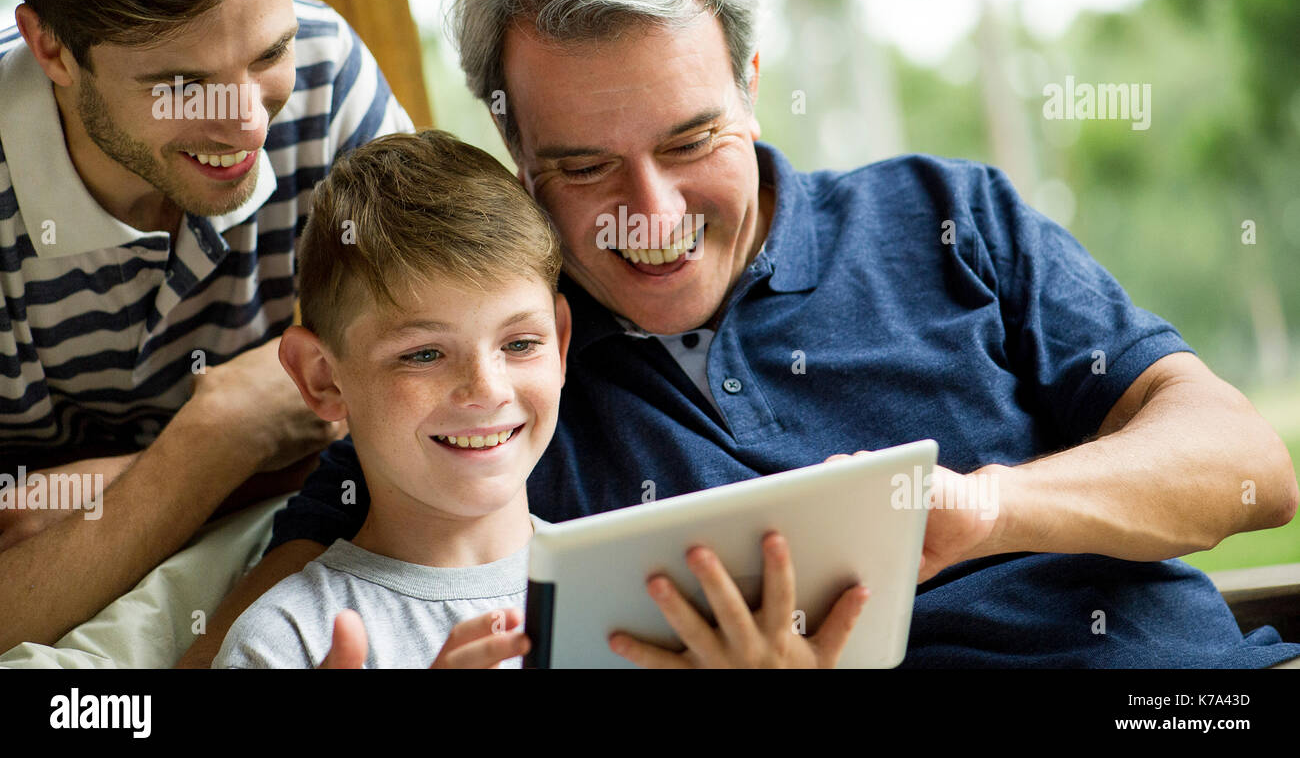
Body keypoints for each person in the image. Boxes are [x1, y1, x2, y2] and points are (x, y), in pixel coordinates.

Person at [186, 0, 1299, 669]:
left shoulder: (944, 218)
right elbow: (277, 616)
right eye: (581, 166)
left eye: (687, 142)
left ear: (751, 82)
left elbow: (1249, 470)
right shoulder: (495, 374)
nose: (650, 213)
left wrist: (988, 509)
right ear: (511, 143)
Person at [212, 129, 868, 668]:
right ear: (322, 376)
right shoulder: (286, 639)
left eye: (519, 343)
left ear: (559, 343)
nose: (486, 389)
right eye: (422, 353)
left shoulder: (654, 602)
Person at [0, 0, 411, 653]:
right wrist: (219, 438)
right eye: (180, 83)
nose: (246, 124)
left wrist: (161, 479)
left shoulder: (328, 75)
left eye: (266, 55)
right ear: (50, 48)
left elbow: (437, 377)